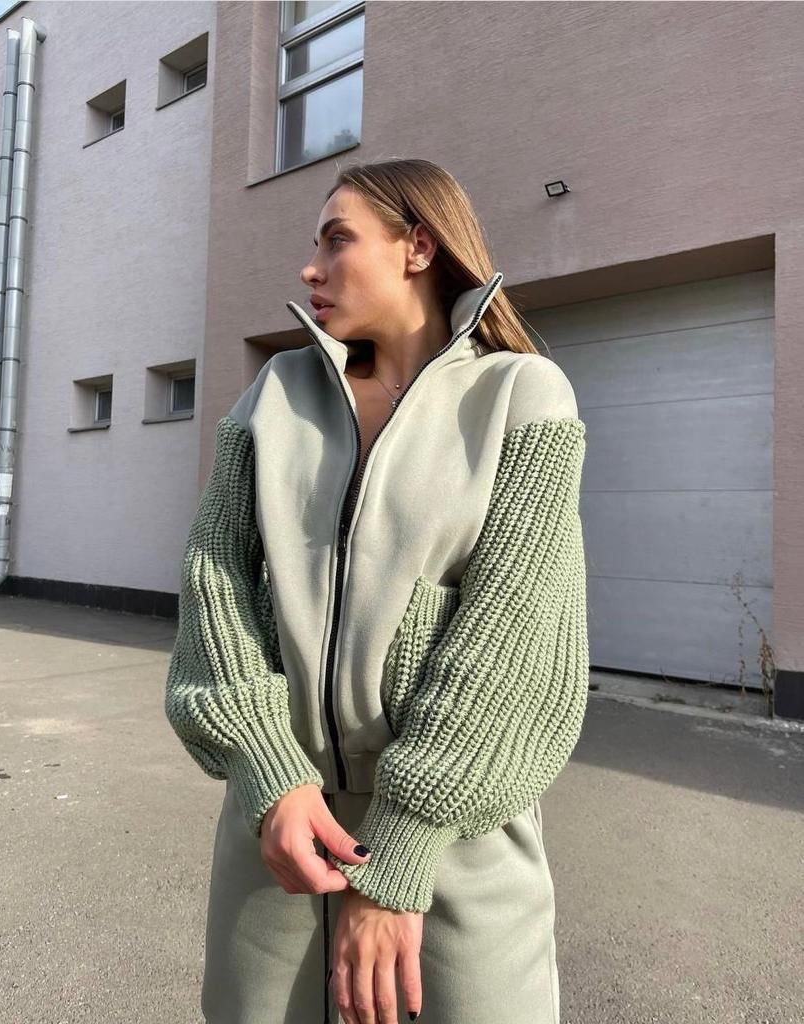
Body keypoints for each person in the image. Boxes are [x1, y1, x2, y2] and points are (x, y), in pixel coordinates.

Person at [164, 158, 590, 1024]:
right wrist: (270, 774)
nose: (310, 268)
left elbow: (514, 632)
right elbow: (215, 579)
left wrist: (399, 853)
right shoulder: (275, 394)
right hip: (278, 840)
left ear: (417, 247)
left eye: (337, 239)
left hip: (452, 846)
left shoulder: (519, 394)